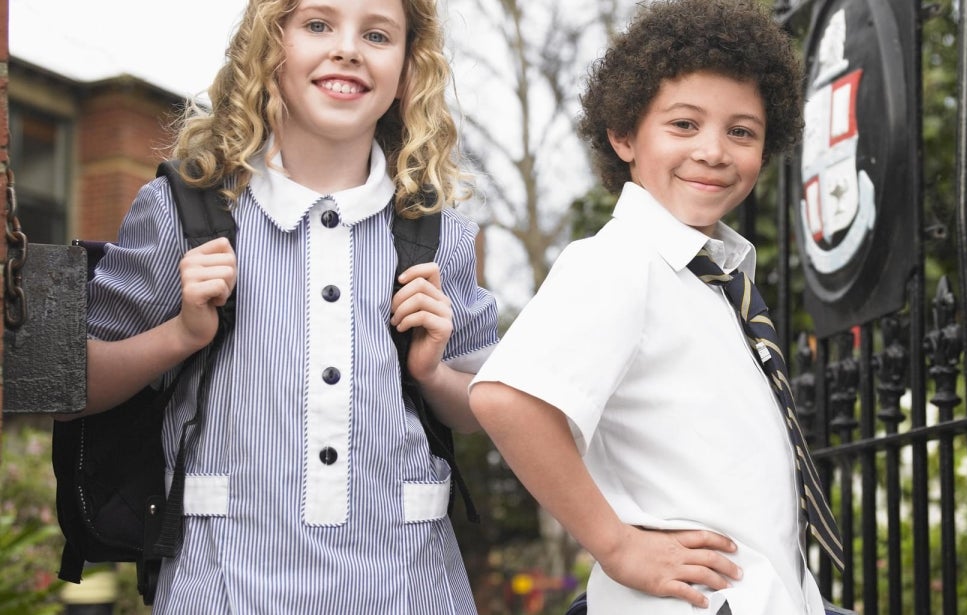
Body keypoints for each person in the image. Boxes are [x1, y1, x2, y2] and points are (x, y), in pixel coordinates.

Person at [81, 0, 496, 611]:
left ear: (409, 70)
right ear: (269, 45)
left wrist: (432, 373)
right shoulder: (182, 211)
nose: (348, 48)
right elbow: (77, 386)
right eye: (319, 25)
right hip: (221, 585)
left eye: (377, 34)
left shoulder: (440, 235)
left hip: (409, 587)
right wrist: (181, 334)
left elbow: (480, 411)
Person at [470, 1, 844, 613]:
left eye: (741, 131)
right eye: (684, 125)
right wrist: (615, 545)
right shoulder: (619, 261)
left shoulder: (714, 281)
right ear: (623, 135)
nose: (715, 151)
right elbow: (507, 398)